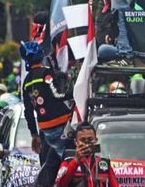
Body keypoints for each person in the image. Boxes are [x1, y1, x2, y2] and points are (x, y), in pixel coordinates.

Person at [20, 41, 73, 187]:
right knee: (69, 160)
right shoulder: (46, 73)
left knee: (52, 162)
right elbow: (57, 95)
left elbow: (28, 111)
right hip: (61, 124)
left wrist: (34, 134)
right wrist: (74, 93)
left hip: (44, 129)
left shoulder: (26, 81)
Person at [55, 121, 119, 187]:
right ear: (76, 142)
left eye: (90, 139)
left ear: (96, 140)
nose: (87, 143)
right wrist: (76, 161)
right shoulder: (67, 162)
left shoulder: (104, 163)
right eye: (83, 140)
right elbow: (60, 185)